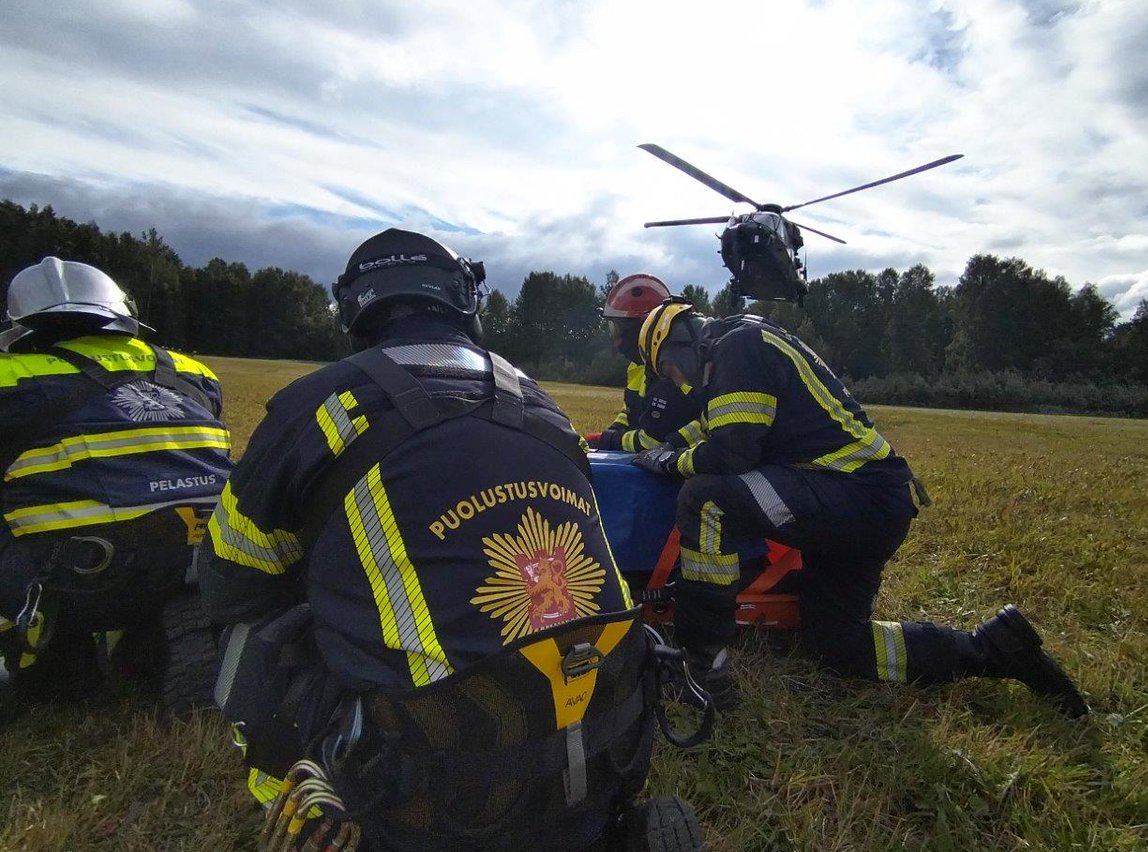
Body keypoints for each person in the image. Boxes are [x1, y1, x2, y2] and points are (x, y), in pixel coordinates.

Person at [199, 229, 702, 852]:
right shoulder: (543, 406)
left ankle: (312, 817)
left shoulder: (318, 406)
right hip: (602, 752)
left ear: (354, 309)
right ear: (468, 303)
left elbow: (232, 573)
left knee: (252, 634)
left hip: (435, 803)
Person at [631, 300, 1089, 718]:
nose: (680, 382)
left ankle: (703, 665)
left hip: (850, 493)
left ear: (681, 341)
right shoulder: (744, 346)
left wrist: (672, 463)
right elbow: (716, 426)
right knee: (838, 646)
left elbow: (732, 454)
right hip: (870, 504)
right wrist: (664, 447)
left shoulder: (738, 347)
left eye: (671, 369)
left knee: (706, 498)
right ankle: (989, 650)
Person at [0, 257, 232, 721]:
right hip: (207, 559)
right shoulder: (192, 372)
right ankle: (166, 634)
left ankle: (54, 647)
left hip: (81, 570)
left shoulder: (13, 376)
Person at [593, 275, 703, 452]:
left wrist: (607, 440)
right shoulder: (637, 367)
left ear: (645, 327)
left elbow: (652, 442)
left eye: (619, 330)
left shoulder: (673, 372)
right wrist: (615, 430)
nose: (617, 343)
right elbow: (630, 412)